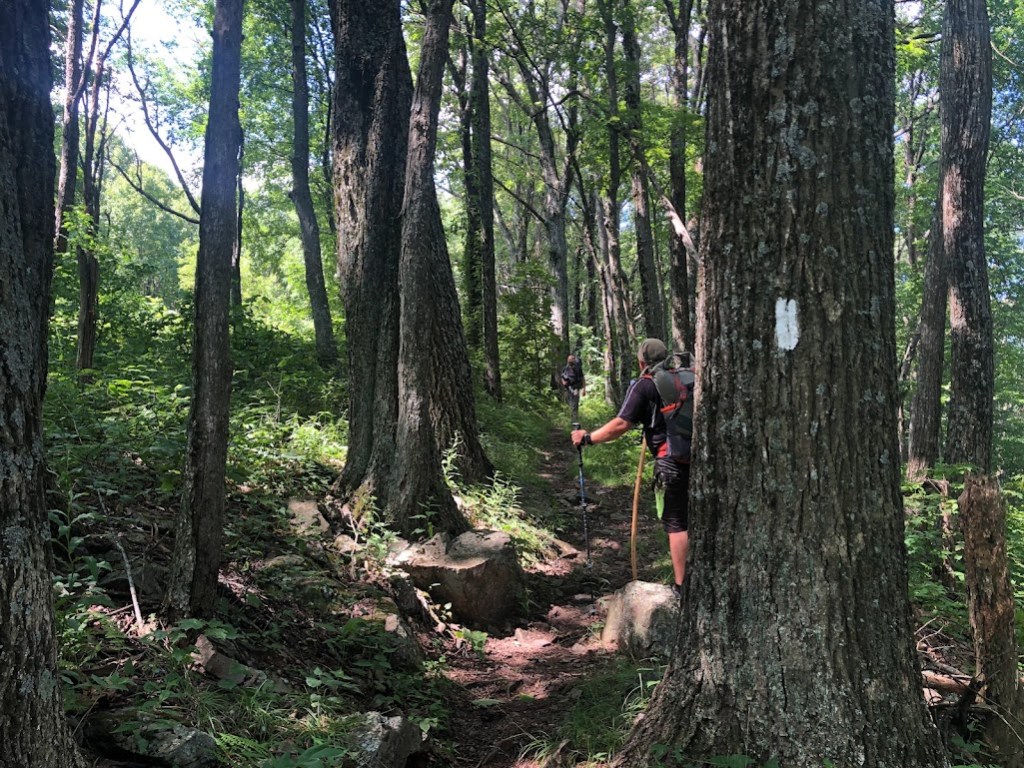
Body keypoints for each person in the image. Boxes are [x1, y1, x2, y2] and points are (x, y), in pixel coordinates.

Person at [570, 338, 690, 597]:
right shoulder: (683, 379)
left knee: (676, 523)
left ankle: (683, 588)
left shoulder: (644, 385)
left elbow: (621, 424)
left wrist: (587, 438)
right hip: (696, 458)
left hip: (670, 461)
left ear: (641, 361)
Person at [559, 353, 585, 421]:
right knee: (569, 403)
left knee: (575, 403)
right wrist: (563, 382)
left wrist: (584, 389)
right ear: (568, 360)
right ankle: (570, 417)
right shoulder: (565, 369)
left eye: (573, 359)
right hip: (568, 388)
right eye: (570, 359)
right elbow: (562, 377)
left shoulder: (578, 369)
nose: (571, 360)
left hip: (576, 388)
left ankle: (575, 418)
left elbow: (582, 378)